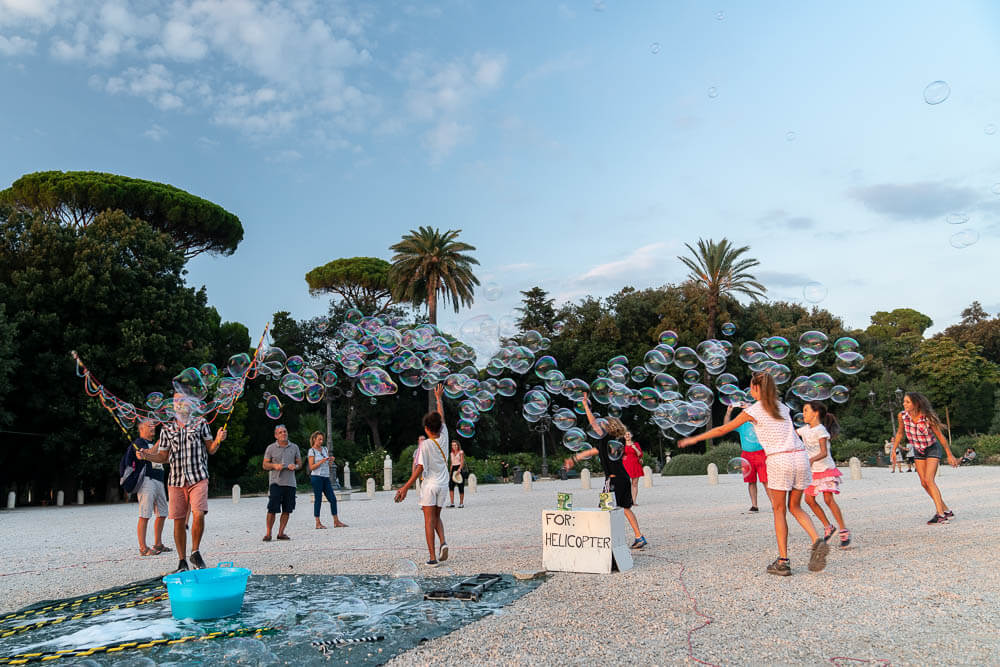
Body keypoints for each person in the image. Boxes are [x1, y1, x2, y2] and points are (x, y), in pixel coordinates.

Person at [679, 372, 828, 576]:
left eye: (751, 386)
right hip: (800, 457)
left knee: (779, 511)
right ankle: (816, 541)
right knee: (795, 506)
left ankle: (783, 562)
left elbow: (723, 429)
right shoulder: (782, 407)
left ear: (757, 389)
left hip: (780, 459)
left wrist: (694, 440)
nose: (749, 390)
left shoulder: (754, 410)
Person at [137, 393, 227, 572]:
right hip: (176, 480)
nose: (179, 403)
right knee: (178, 521)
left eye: (183, 399)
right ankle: (182, 561)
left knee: (198, 514)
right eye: (176, 400)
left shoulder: (201, 423)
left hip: (198, 477)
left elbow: (211, 449)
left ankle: (195, 551)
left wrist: (218, 439)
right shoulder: (167, 429)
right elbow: (163, 457)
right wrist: (147, 455)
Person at [563, 393, 647, 549]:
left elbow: (592, 423)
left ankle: (604, 539)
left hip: (613, 480)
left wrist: (586, 406)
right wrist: (573, 459)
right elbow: (590, 452)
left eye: (602, 425)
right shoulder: (615, 441)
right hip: (623, 478)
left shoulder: (606, 438)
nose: (598, 426)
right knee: (625, 508)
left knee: (604, 509)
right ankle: (639, 536)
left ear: (607, 427)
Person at [395, 385, 449, 567]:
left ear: (427, 428)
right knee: (437, 517)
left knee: (428, 520)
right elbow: (441, 416)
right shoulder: (445, 436)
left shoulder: (424, 445)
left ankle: (433, 557)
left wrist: (405, 487)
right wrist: (439, 398)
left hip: (429, 485)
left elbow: (419, 468)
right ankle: (443, 542)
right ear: (440, 426)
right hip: (443, 485)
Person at [890, 392, 958, 524]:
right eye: (904, 401)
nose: (904, 404)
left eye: (907, 402)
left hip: (932, 448)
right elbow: (899, 432)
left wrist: (949, 454)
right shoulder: (902, 416)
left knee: (929, 480)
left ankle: (940, 514)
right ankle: (946, 510)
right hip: (918, 450)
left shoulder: (927, 417)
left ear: (916, 403)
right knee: (923, 483)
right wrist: (894, 449)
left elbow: (940, 436)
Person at [799, 402, 850, 548]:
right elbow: (790, 433)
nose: (803, 413)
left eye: (806, 410)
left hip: (825, 469)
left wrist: (810, 460)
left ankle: (843, 530)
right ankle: (828, 527)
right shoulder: (804, 429)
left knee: (828, 499)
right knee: (809, 500)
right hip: (812, 472)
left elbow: (824, 452)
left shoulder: (821, 430)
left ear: (815, 413)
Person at [131, 419, 171, 556]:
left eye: (154, 425)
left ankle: (158, 544)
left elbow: (161, 457)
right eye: (150, 425)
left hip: (159, 480)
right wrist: (162, 439)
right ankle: (143, 548)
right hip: (147, 481)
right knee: (145, 513)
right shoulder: (139, 443)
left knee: (162, 512)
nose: (153, 427)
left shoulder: (152, 443)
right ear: (142, 428)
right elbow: (148, 453)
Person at [724, 403, 767, 512]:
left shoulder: (760, 422)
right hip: (746, 455)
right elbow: (726, 426)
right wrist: (729, 412)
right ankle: (754, 505)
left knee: (766, 481)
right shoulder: (742, 424)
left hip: (761, 453)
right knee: (751, 481)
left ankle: (774, 504)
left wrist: (750, 408)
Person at [262, 425, 302, 541]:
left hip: (290, 483)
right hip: (276, 482)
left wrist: (295, 466)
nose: (283, 434)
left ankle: (281, 533)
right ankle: (268, 533)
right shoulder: (270, 448)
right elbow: (264, 465)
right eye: (280, 432)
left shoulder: (294, 447)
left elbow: (300, 464)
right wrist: (274, 465)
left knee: (287, 509)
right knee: (272, 508)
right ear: (276, 435)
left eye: (285, 431)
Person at [308, 431, 347, 529]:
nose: (321, 441)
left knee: (333, 499)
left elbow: (328, 466)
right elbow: (311, 467)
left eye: (322, 439)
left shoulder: (325, 449)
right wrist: (321, 461)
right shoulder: (311, 451)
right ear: (314, 439)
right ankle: (318, 523)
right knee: (318, 499)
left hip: (325, 477)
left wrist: (330, 461)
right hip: (316, 477)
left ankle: (336, 521)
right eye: (319, 439)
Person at [622, 435, 643, 505]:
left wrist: (635, 448)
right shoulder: (622, 445)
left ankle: (634, 501)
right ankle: (626, 500)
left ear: (631, 436)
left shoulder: (636, 444)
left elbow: (640, 454)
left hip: (635, 464)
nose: (627, 435)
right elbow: (617, 454)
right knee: (625, 483)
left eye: (628, 434)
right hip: (625, 465)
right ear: (624, 436)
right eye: (626, 434)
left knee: (635, 483)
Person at [448, 440, 466, 508]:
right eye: (452, 445)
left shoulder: (461, 452)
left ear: (458, 445)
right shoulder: (451, 453)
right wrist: (450, 472)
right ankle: (452, 503)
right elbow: (452, 463)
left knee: (460, 486)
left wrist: (459, 469)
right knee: (451, 486)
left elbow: (462, 462)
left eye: (455, 445)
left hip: (459, 468)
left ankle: (461, 503)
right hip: (453, 468)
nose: (454, 446)